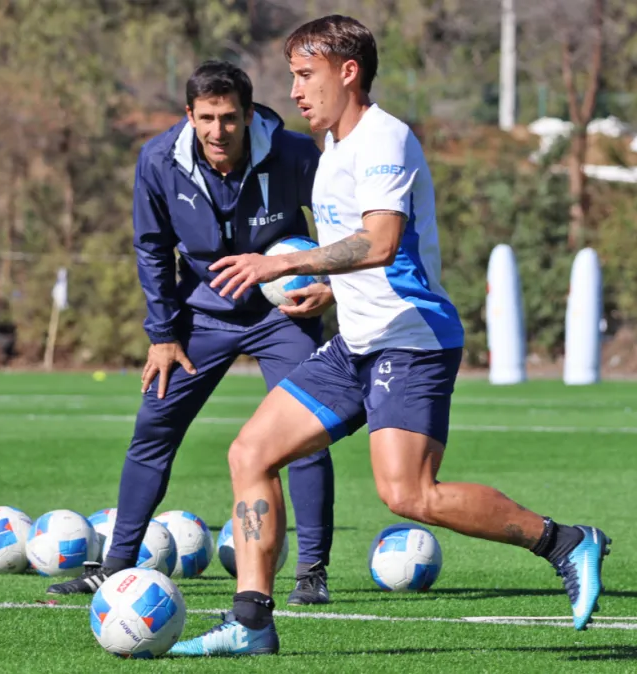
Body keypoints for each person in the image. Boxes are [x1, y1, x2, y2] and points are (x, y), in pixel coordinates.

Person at [168, 16, 610, 657]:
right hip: (359, 340)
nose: (293, 90)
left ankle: (565, 541)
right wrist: (329, 289)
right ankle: (252, 621)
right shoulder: (335, 149)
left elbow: (381, 242)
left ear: (349, 72)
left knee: (408, 494)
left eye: (304, 75)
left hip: (411, 340)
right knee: (250, 454)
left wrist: (283, 262)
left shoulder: (383, 139)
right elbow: (365, 256)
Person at [46, 60, 336, 606]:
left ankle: (311, 573)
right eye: (206, 118)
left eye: (229, 118)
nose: (218, 131)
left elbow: (349, 226)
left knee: (303, 436)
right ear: (189, 115)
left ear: (249, 115)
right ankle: (113, 566)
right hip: (202, 315)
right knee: (154, 426)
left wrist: (331, 288)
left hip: (285, 314)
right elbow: (153, 249)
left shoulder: (297, 155)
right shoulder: (158, 160)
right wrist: (162, 334)